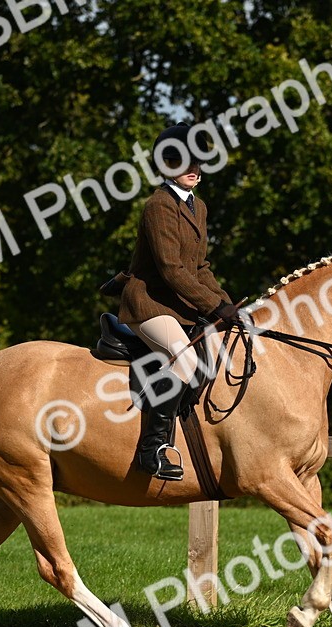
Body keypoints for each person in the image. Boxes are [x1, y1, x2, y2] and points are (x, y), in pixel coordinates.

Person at [118, 123, 238, 480]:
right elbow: (171, 269)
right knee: (185, 362)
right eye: (182, 161)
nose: (193, 169)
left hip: (181, 303)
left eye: (198, 163)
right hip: (150, 303)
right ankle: (151, 449)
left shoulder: (197, 207)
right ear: (166, 165)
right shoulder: (158, 206)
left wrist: (230, 307)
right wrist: (213, 307)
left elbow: (200, 267)